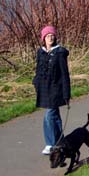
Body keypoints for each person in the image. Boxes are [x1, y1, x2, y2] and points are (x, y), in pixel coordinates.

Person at [33, 25, 71, 155]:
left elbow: (65, 75)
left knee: (49, 116)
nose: (51, 37)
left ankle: (50, 144)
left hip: (57, 90)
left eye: (52, 35)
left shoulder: (60, 53)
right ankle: (61, 141)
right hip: (44, 90)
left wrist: (67, 94)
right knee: (55, 117)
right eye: (48, 35)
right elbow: (38, 70)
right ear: (43, 38)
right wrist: (36, 82)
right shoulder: (40, 52)